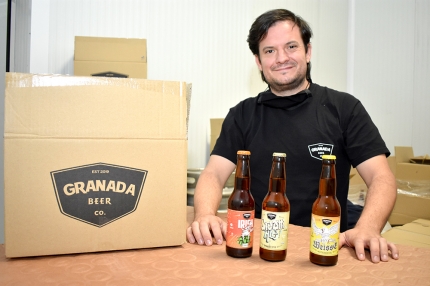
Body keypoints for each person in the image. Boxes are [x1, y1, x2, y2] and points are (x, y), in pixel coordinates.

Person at [186, 8, 399, 263]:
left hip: (323, 249)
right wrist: (205, 214)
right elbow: (213, 174)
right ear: (258, 61)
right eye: (269, 50)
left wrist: (368, 227)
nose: (281, 58)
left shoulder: (344, 109)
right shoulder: (242, 114)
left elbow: (381, 177)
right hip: (258, 250)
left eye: (291, 46)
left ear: (308, 52)